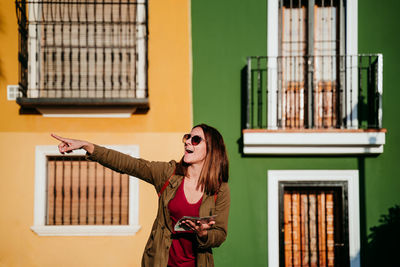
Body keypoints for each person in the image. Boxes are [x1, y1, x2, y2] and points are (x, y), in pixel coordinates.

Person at [51, 124, 230, 267]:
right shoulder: (168, 174)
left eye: (196, 139)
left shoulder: (219, 189)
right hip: (160, 261)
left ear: (211, 149)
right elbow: (130, 164)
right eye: (187, 137)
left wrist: (204, 234)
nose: (188, 142)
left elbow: (220, 233)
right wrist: (87, 146)